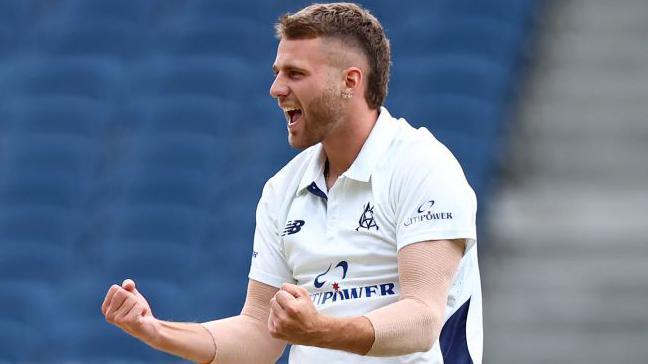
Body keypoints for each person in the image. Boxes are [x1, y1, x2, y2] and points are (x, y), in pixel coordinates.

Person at [101, 3, 483, 363]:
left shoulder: (422, 167)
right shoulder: (283, 189)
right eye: (277, 73)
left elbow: (422, 319)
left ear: (350, 81)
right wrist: (155, 330)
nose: (276, 89)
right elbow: (257, 333)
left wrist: (320, 329)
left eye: (295, 74)